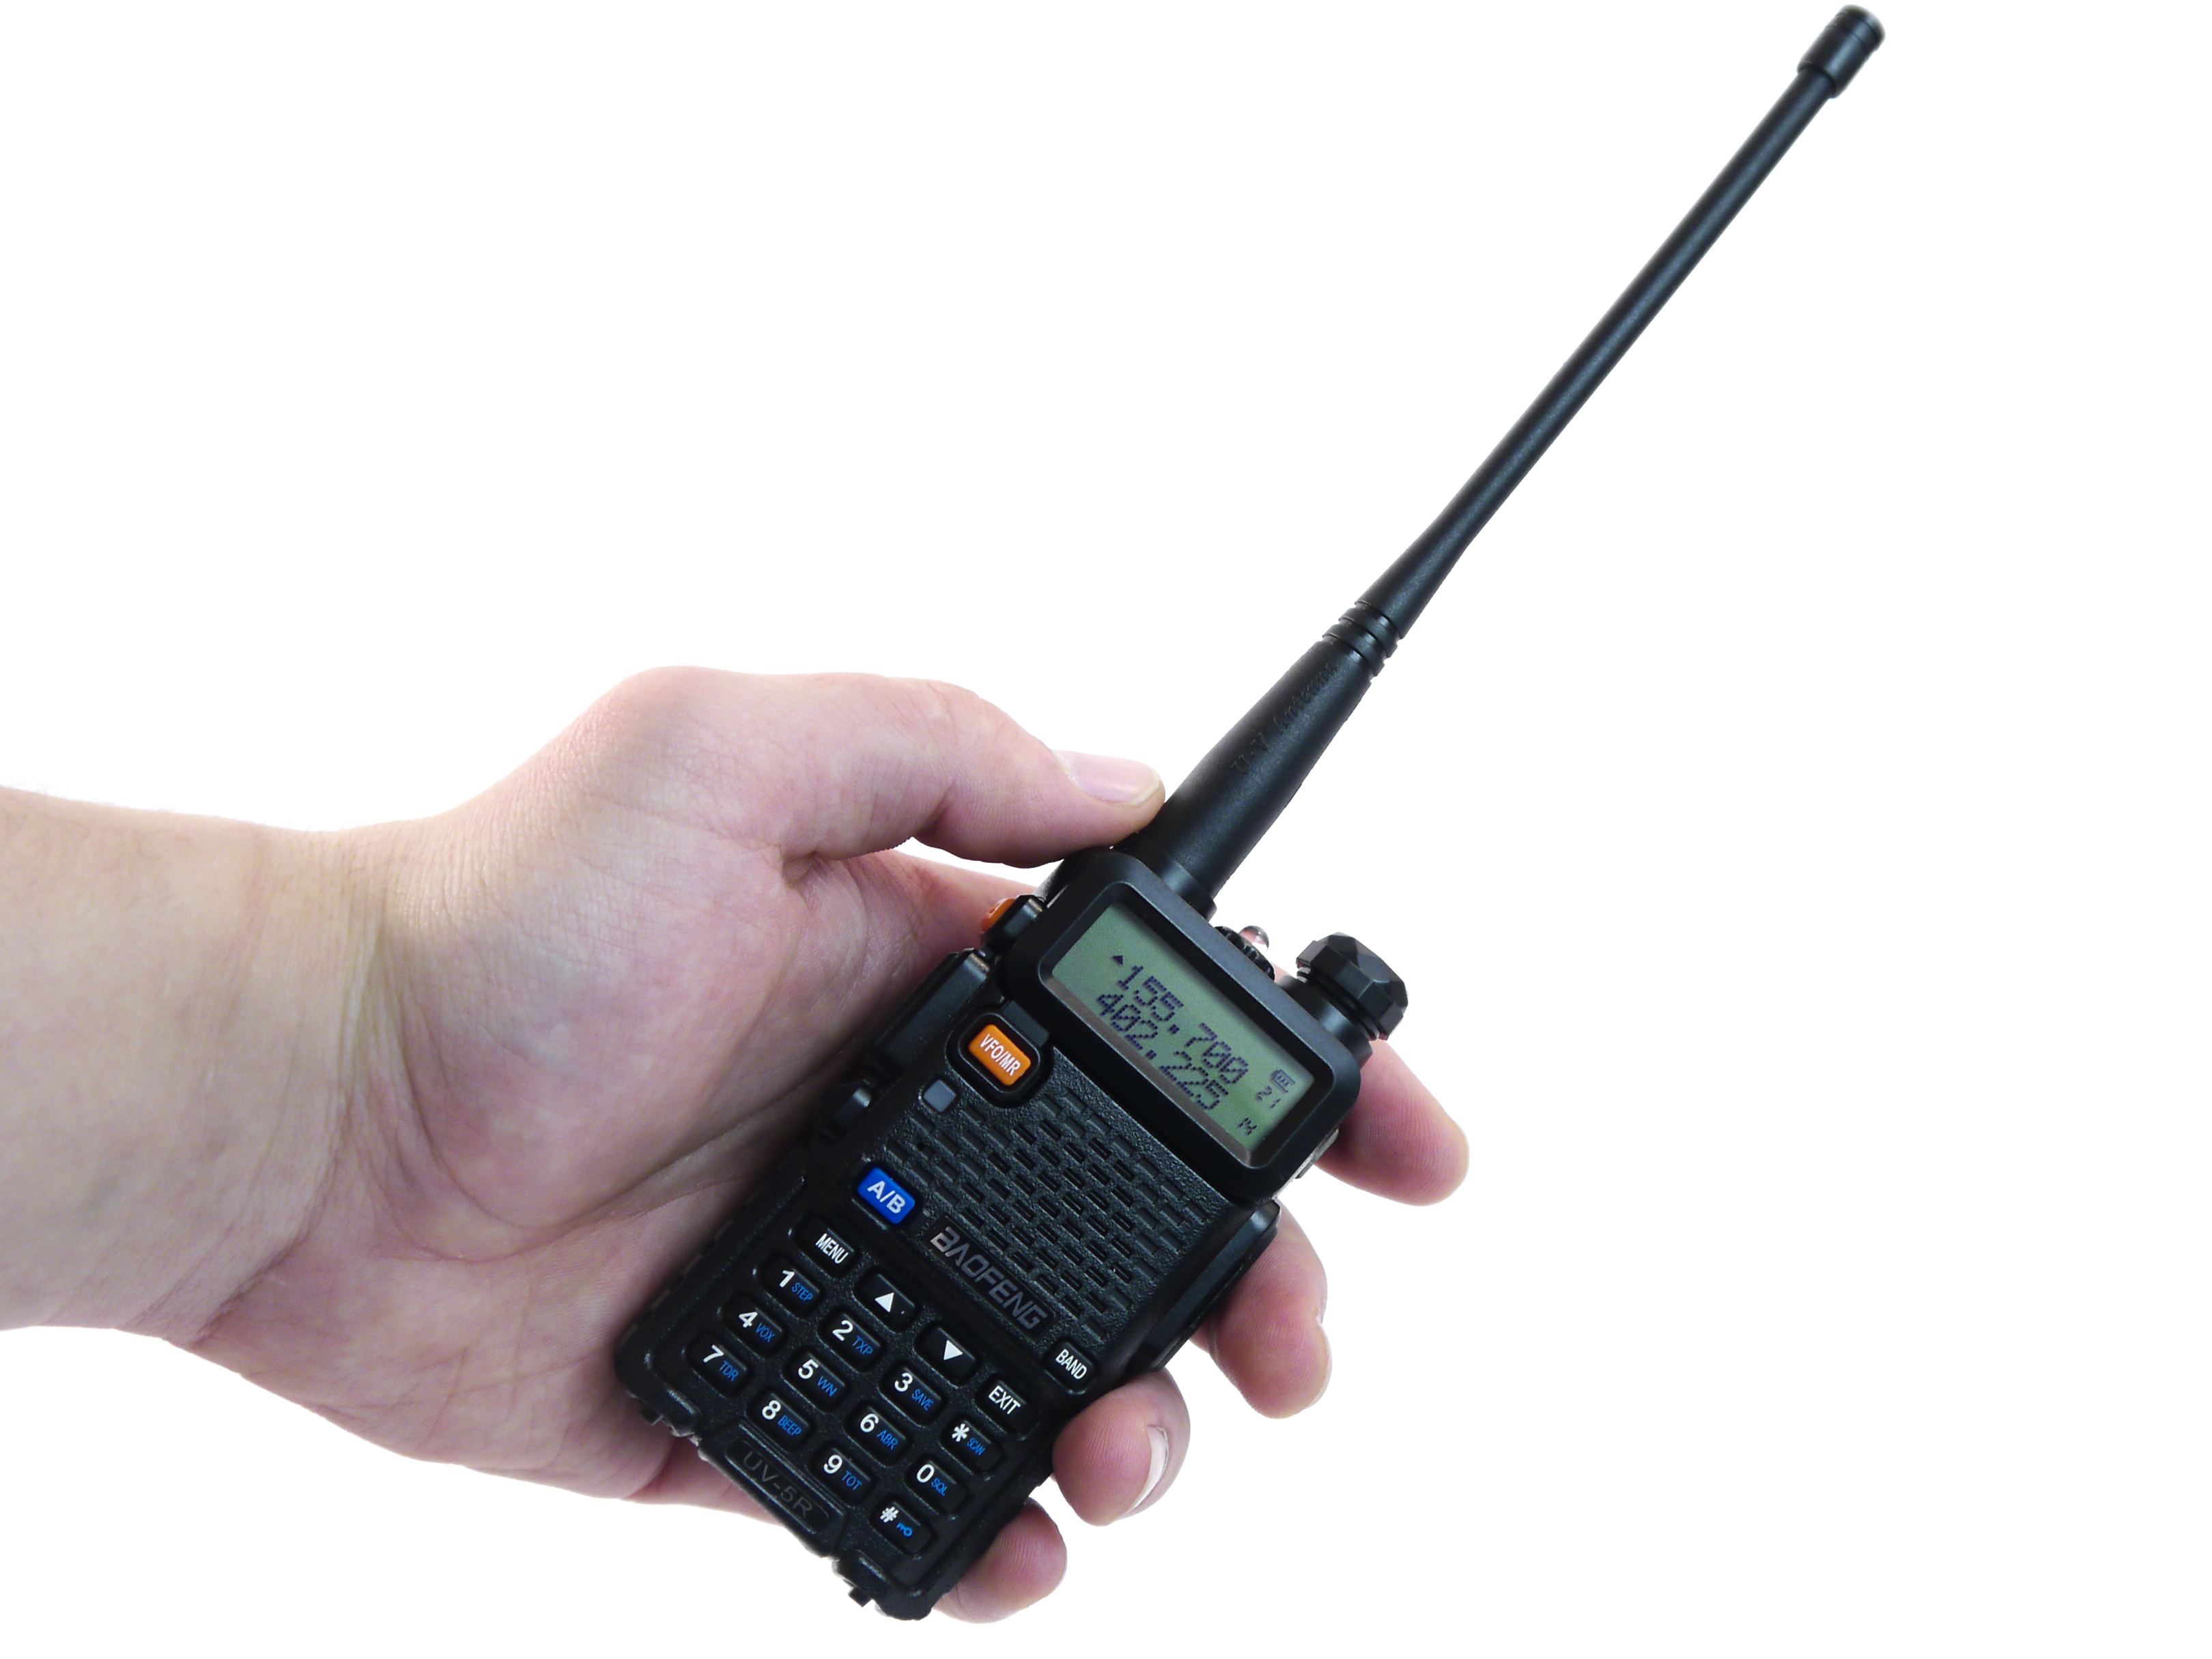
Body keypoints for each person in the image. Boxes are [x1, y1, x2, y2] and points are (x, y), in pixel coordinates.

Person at [0, 669, 1466, 1620]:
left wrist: (315, 1100)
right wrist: (349, 1081)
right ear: (1046, 941)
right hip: (867, 1223)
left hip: (961, 1289)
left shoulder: (1222, 1111)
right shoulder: (1082, 970)